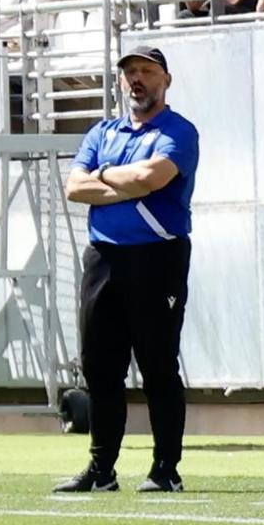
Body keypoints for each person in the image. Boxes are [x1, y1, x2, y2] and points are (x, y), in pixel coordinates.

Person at [55, 46, 198, 494]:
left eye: (146, 72)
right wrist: (123, 180)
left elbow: (151, 179)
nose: (137, 79)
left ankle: (164, 469)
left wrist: (107, 175)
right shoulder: (103, 131)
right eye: (130, 72)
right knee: (100, 366)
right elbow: (75, 187)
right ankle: (102, 470)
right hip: (104, 258)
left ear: (165, 80)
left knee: (157, 363)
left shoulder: (178, 131)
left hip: (157, 255)